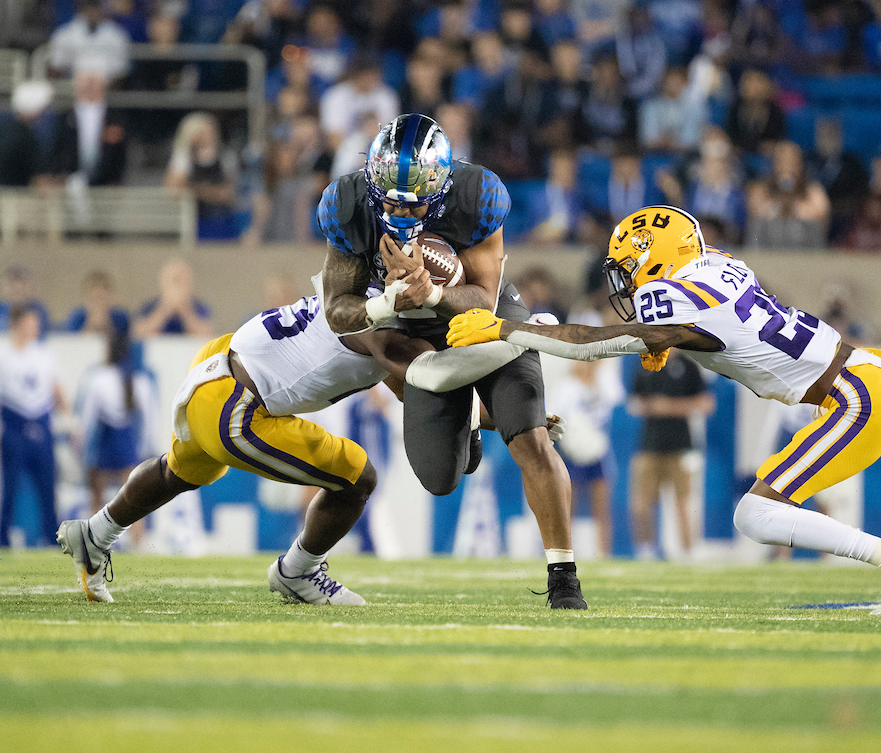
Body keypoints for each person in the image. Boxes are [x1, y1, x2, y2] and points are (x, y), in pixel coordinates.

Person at [447, 204, 881, 616]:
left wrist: (515, 329)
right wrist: (659, 341)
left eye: (632, 270)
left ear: (656, 264)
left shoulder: (671, 295)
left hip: (855, 394)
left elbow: (609, 340)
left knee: (755, 513)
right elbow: (693, 334)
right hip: (879, 371)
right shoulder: (720, 268)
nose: (627, 284)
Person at [56, 289, 539, 604]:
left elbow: (419, 395)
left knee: (180, 472)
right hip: (237, 403)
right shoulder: (388, 329)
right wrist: (508, 376)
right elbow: (430, 383)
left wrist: (510, 420)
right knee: (357, 476)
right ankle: (298, 572)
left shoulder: (363, 298)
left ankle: (94, 533)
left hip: (219, 364)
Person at [314, 113, 587, 609]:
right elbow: (338, 312)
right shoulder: (348, 203)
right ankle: (473, 421)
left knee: (530, 437)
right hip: (410, 328)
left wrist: (434, 291)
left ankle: (563, 576)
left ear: (440, 185)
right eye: (390, 196)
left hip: (487, 316)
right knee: (440, 476)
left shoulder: (476, 195)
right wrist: (389, 304)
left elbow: (483, 297)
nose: (400, 206)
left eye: (415, 196)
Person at [628, 351, 713, 560]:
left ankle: (687, 551)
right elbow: (633, 402)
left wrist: (670, 407)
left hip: (681, 444)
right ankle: (645, 550)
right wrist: (649, 407)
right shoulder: (646, 363)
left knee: (683, 502)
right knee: (641, 502)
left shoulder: (688, 366)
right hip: (649, 444)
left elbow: (706, 403)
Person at [74, 329, 158, 541]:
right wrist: (147, 448)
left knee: (97, 497)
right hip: (127, 441)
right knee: (133, 499)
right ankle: (138, 543)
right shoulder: (140, 381)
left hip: (107, 440)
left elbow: (88, 417)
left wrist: (81, 443)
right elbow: (148, 422)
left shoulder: (99, 379)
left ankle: (93, 542)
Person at [0, 305, 65, 548]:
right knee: (11, 486)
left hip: (41, 424)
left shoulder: (45, 354)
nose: (35, 327)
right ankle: (3, 536)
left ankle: (52, 536)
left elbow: (57, 390)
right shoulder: (4, 355)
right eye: (30, 322)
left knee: (47, 486)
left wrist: (69, 420)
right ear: (17, 324)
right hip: (13, 425)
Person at [547, 358, 623, 557]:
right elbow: (552, 418)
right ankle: (565, 553)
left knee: (602, 507)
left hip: (599, 450)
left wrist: (596, 376)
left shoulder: (604, 383)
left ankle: (603, 553)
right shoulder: (565, 387)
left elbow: (617, 398)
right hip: (571, 452)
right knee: (568, 506)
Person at [134, 258, 213, 338]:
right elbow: (139, 334)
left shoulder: (200, 307)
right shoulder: (150, 306)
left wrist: (185, 310)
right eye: (173, 280)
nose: (176, 286)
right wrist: (164, 310)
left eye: (181, 280)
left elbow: (206, 335)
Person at [62, 270, 131, 336]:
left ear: (111, 299)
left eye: (103, 298)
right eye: (94, 299)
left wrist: (107, 324)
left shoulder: (121, 319)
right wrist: (91, 325)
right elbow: (75, 343)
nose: (98, 304)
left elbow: (122, 344)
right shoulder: (77, 319)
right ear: (85, 301)